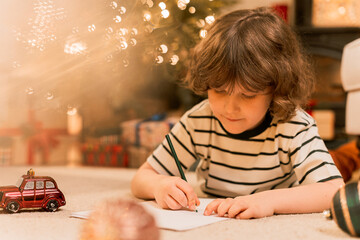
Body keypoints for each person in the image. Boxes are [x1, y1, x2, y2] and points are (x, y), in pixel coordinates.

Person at [131, 7, 344, 219]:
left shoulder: (293, 125)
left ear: (276, 88)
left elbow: (333, 190)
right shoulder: (198, 120)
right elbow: (142, 177)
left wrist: (268, 201)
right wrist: (160, 185)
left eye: (248, 95)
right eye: (219, 91)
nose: (230, 108)